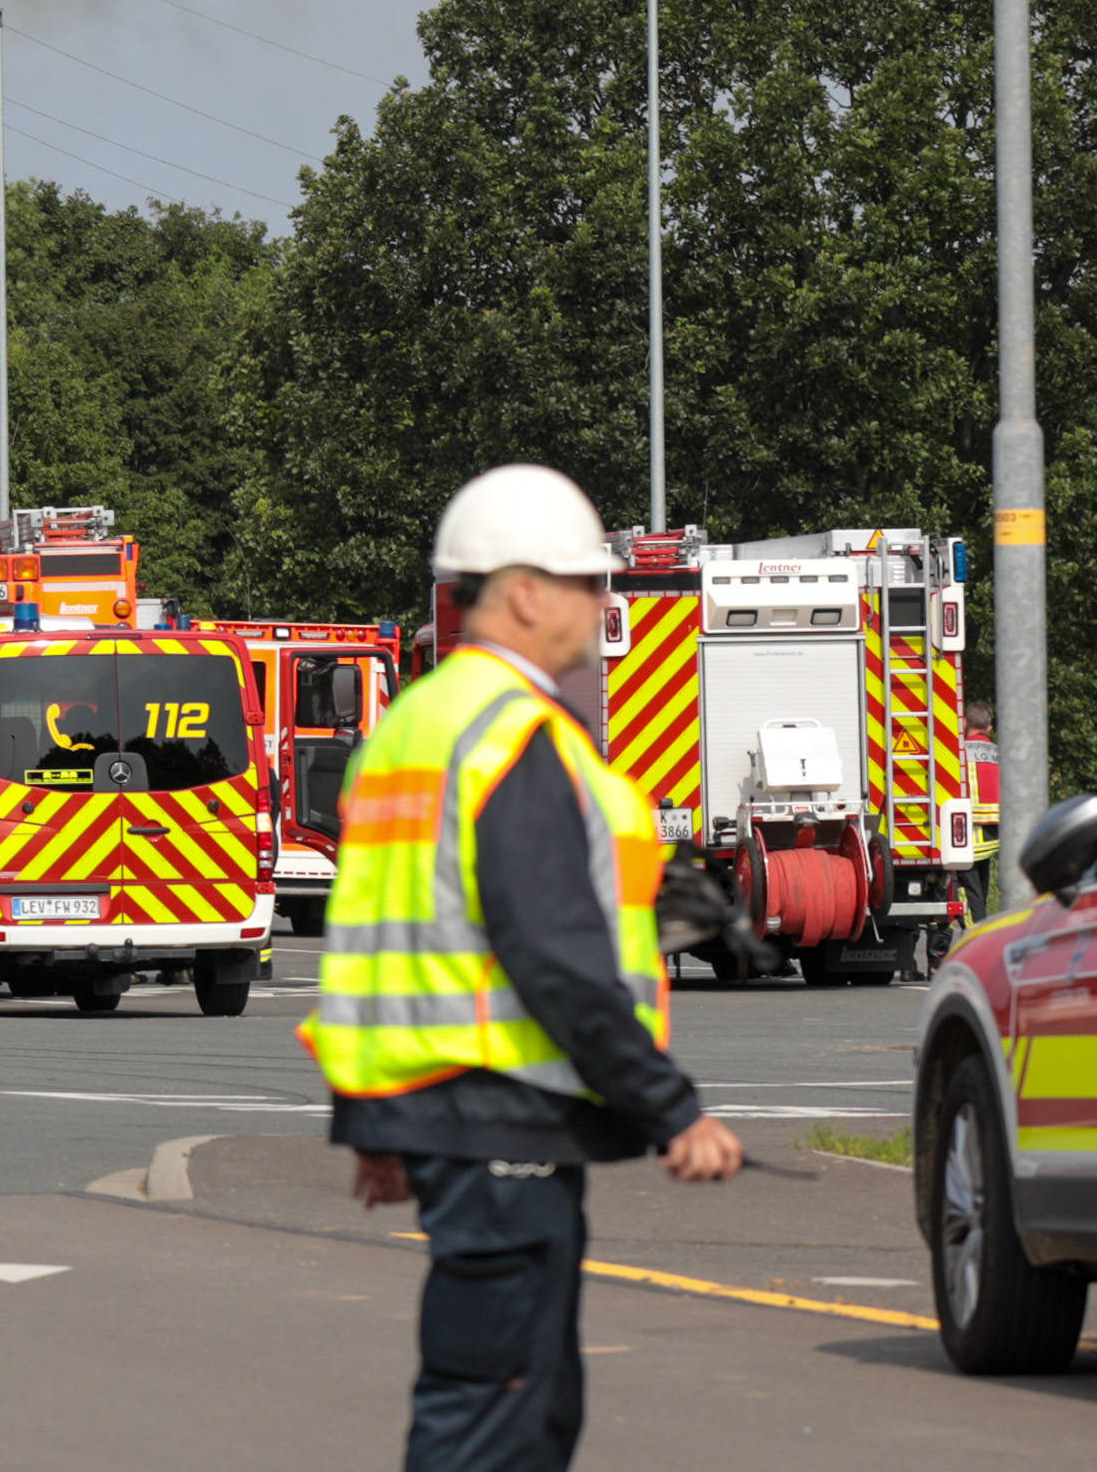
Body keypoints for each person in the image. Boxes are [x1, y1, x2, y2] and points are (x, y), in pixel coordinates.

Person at [307, 464, 740, 1472]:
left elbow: (374, 944)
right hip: (505, 1120)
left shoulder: (406, 731)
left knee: (524, 1405)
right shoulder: (514, 737)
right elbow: (553, 954)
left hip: (449, 1117)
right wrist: (670, 1106)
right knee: (494, 1417)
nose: (603, 604)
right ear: (525, 590)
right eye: (590, 582)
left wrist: (381, 1121)